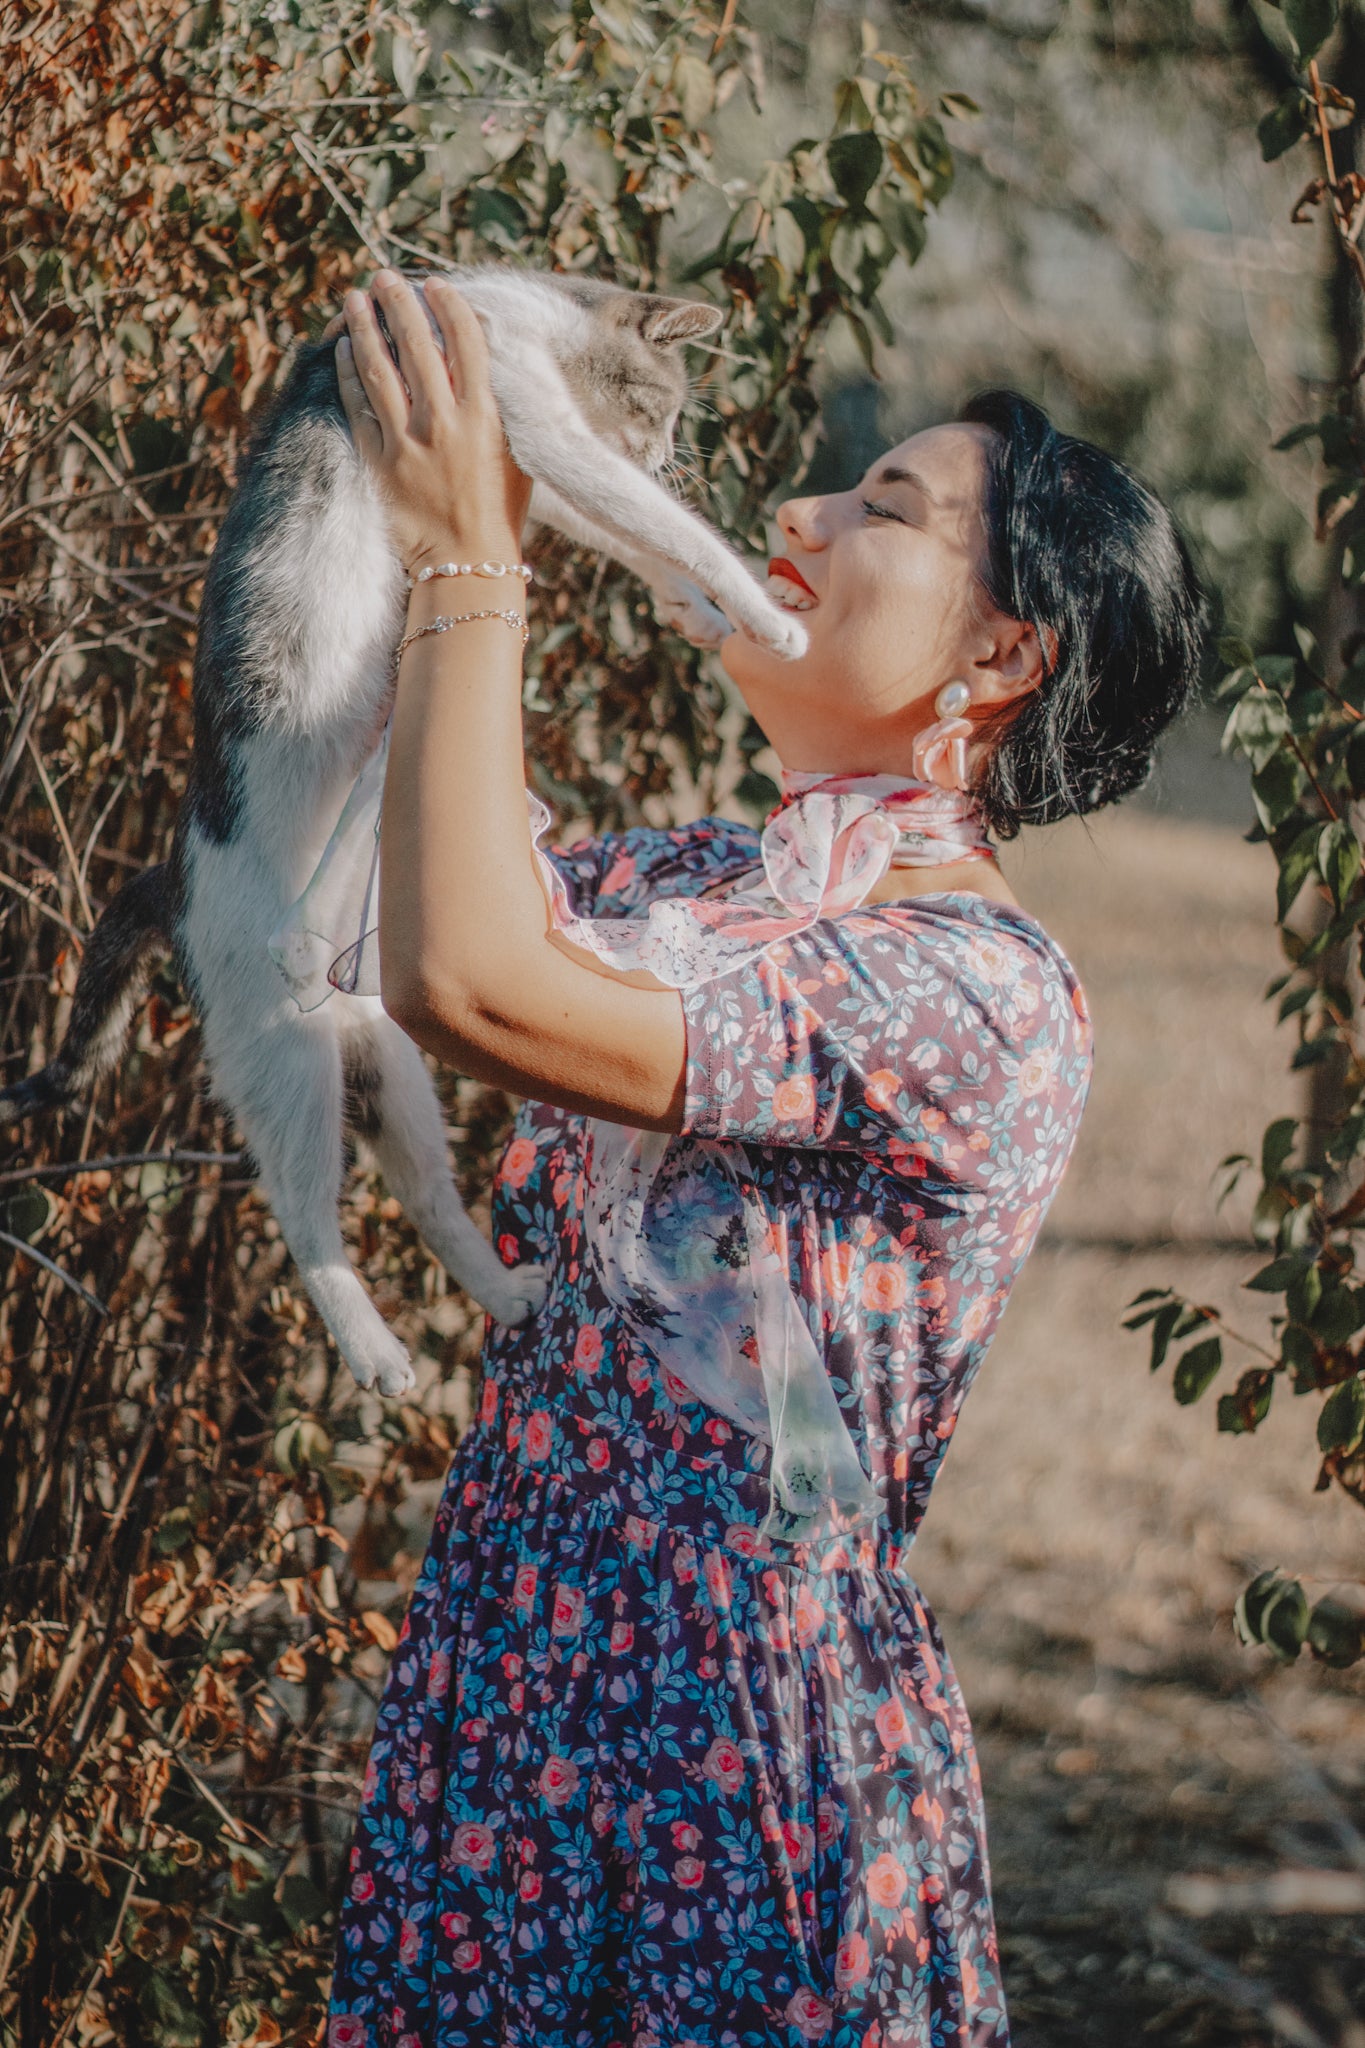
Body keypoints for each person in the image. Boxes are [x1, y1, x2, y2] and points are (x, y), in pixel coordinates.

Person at [323, 270, 1205, 2048]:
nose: (794, 518)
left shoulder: (975, 997)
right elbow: (372, 920)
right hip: (511, 1680)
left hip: (735, 1752)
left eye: (883, 507)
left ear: (1002, 655)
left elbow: (469, 984)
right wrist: (398, 530)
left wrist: (474, 564)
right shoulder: (693, 885)